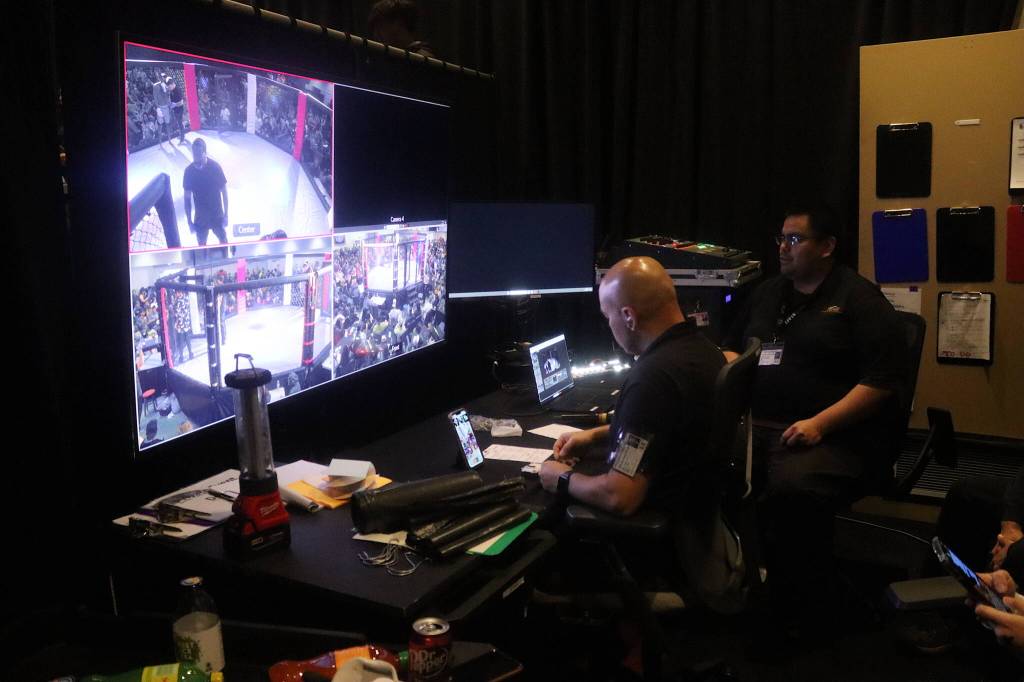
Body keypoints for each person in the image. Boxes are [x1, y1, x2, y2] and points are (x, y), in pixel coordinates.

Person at [720, 205, 907, 635]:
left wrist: (820, 423)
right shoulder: (768, 293)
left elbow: (882, 382)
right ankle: (731, 580)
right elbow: (733, 349)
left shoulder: (859, 300)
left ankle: (799, 608)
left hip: (835, 435)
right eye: (781, 238)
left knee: (792, 488)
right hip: (760, 425)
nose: (782, 248)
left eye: (795, 239)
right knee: (701, 459)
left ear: (827, 247)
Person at [539, 256, 724, 517]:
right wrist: (595, 436)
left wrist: (562, 478)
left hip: (656, 523)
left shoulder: (651, 380)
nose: (609, 325)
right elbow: (660, 427)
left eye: (608, 316)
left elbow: (619, 496)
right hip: (700, 516)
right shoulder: (706, 352)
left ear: (628, 317)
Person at [183, 138, 229, 246]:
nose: (196, 157)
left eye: (199, 154)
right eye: (194, 154)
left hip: (216, 214)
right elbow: (187, 199)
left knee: (223, 240)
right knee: (201, 245)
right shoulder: (189, 172)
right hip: (201, 217)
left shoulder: (215, 168)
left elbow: (224, 192)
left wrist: (226, 215)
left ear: (205, 153)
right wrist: (189, 222)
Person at [367, 0, 436, 58]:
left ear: (398, 23)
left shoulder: (421, 58)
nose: (376, 34)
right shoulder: (394, 56)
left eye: (380, 27)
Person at [166, 78, 186, 144]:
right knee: (179, 124)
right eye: (168, 87)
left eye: (169, 87)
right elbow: (172, 101)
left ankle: (182, 139)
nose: (169, 88)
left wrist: (175, 105)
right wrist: (171, 104)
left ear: (172, 84)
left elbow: (181, 102)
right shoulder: (171, 91)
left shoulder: (178, 90)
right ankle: (182, 135)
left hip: (180, 109)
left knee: (180, 124)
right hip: (175, 109)